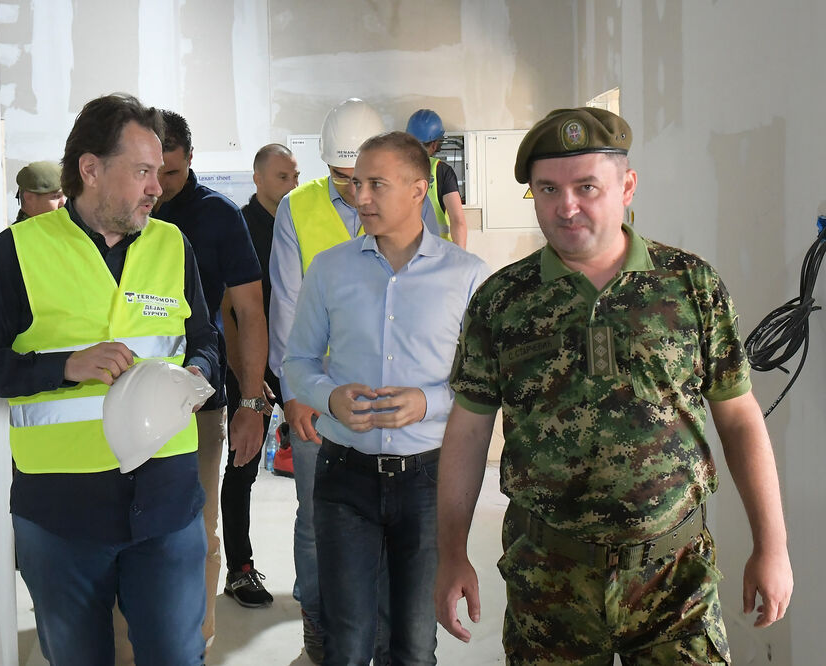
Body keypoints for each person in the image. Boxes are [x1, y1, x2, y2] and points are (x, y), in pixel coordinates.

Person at [434, 107, 793, 664]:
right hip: (549, 582)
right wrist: (452, 553)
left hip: (676, 580)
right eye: (548, 189)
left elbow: (740, 419)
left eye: (587, 187)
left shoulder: (690, 285)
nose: (566, 206)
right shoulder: (503, 301)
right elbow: (468, 431)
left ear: (626, 187)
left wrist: (772, 546)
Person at [0, 93, 219, 665]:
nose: (157, 187)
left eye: (159, 171)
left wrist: (200, 370)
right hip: (60, 513)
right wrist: (63, 367)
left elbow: (205, 339)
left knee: (177, 656)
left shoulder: (173, 245)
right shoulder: (16, 253)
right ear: (90, 169)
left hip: (166, 503)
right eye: (141, 171)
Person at [284, 131, 490, 664]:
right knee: (348, 642)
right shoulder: (329, 269)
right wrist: (330, 398)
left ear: (419, 189)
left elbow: (486, 382)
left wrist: (428, 402)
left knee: (415, 645)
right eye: (356, 184)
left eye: (377, 184)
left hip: (428, 480)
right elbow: (297, 361)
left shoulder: (466, 276)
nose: (361, 197)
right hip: (344, 475)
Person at [268, 97, 388, 663]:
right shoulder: (297, 208)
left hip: (389, 396)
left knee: (388, 516)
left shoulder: (410, 200)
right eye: (342, 177)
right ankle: (318, 624)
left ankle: (381, 631)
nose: (354, 190)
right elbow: (286, 309)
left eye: (363, 177)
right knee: (317, 520)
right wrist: (294, 395)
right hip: (319, 394)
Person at [152, 109, 268, 644]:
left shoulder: (218, 216)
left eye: (171, 173)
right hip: (123, 398)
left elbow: (250, 312)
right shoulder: (123, 211)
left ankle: (195, 642)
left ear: (191, 159)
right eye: (150, 171)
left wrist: (253, 403)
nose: (158, 186)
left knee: (198, 527)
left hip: (200, 400)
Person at [219, 143, 300, 608]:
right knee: (243, 465)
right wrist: (248, 376)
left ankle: (318, 572)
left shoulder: (298, 222)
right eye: (282, 176)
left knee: (318, 465)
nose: (292, 184)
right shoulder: (241, 226)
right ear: (258, 179)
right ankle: (240, 568)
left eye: (295, 176)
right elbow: (229, 311)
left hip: (298, 362)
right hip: (253, 367)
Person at [406, 109, 467, 248]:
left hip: (405, 253)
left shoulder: (394, 169)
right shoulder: (442, 171)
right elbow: (458, 221)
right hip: (438, 252)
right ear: (434, 145)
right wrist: (460, 257)